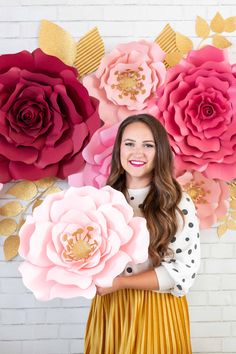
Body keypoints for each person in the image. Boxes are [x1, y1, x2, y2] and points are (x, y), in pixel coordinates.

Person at [84, 114, 200, 354]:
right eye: (129, 144)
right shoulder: (102, 199)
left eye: (148, 145)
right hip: (110, 309)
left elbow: (183, 271)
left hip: (157, 310)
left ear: (161, 152)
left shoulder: (177, 202)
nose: (138, 152)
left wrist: (121, 283)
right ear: (119, 150)